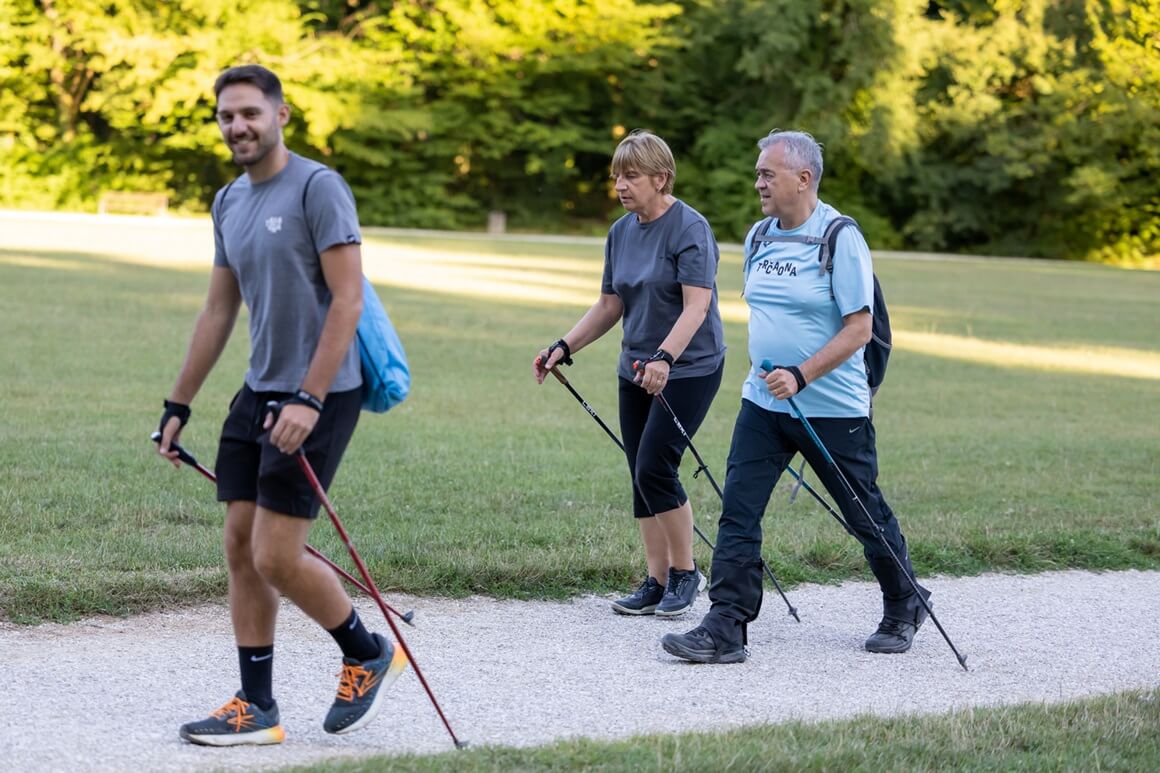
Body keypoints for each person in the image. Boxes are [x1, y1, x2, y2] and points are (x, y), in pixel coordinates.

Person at [156, 64, 405, 746]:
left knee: (275, 553)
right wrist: (179, 403)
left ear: (281, 115)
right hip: (260, 389)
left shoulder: (319, 188)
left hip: (322, 390)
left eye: (249, 113)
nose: (238, 126)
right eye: (226, 116)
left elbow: (348, 299)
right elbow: (217, 308)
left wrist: (309, 397)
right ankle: (257, 704)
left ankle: (366, 651)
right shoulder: (228, 202)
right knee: (240, 545)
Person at [662, 130, 929, 664]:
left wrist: (802, 374)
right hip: (763, 404)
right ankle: (726, 627)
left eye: (768, 173)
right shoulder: (760, 236)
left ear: (803, 179)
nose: (758, 181)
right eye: (759, 173)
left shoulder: (840, 236)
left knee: (863, 512)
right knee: (738, 512)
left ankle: (904, 602)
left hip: (832, 408)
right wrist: (777, 376)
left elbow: (859, 327)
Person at [533, 130, 726, 618]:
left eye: (632, 175)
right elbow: (609, 303)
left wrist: (665, 358)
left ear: (661, 178)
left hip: (689, 367)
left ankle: (686, 574)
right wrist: (564, 345)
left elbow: (696, 307)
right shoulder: (621, 231)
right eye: (617, 175)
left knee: (656, 467)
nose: (620, 184)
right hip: (635, 368)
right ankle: (656, 581)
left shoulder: (690, 228)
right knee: (640, 475)